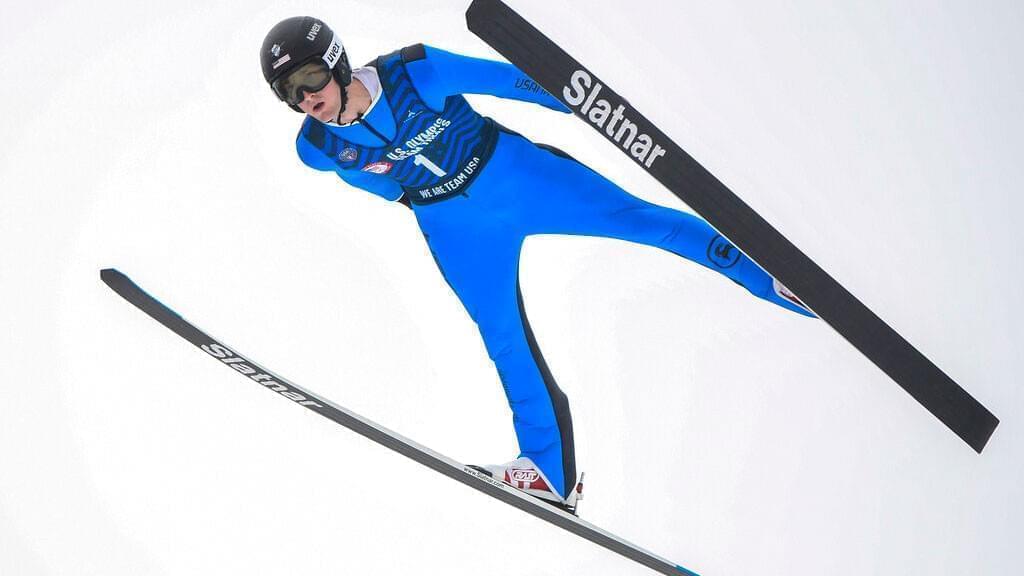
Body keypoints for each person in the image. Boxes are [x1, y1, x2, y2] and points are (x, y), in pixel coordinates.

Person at [259, 16, 814, 514]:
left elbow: (513, 82)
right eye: (289, 91)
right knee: (502, 335)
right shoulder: (317, 148)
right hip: (453, 227)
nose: (305, 98)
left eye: (308, 78)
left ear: (334, 61)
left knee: (643, 221)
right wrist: (418, 199)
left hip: (516, 176)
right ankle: (550, 471)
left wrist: (582, 100)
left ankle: (771, 277)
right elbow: (374, 181)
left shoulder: (415, 72)